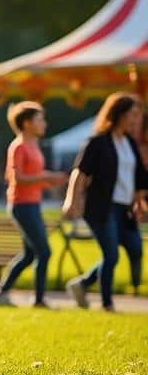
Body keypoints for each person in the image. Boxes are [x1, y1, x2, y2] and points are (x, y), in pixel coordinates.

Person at [63, 92, 147, 311]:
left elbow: (138, 176)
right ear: (119, 114)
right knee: (111, 255)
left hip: (124, 208)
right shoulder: (97, 142)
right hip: (102, 208)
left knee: (136, 248)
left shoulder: (129, 142)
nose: (136, 120)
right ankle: (107, 303)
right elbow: (79, 174)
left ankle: (82, 284)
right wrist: (71, 201)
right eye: (133, 114)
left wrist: (140, 202)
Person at [0, 102, 67, 308]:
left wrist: (50, 183)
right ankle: (38, 299)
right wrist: (46, 176)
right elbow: (18, 178)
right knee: (44, 252)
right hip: (21, 205)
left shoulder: (34, 146)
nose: (44, 123)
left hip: (33, 203)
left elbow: (33, 178)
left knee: (30, 254)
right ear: (27, 123)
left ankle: (0, 293)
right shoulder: (18, 147)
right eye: (40, 119)